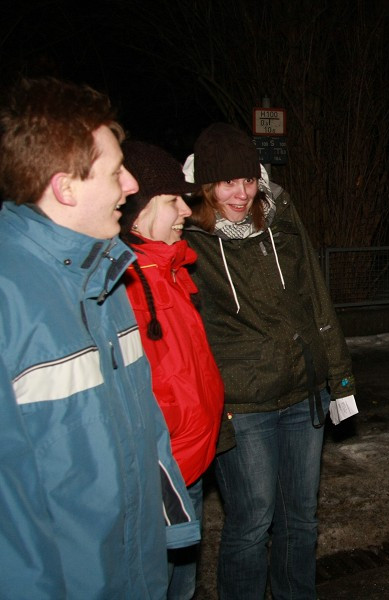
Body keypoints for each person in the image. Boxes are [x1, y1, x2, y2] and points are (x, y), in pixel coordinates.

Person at [0, 77, 199, 598]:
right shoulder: (9, 302)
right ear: (66, 187)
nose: (131, 185)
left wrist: (172, 527)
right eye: (116, 171)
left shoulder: (106, 277)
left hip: (137, 572)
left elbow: (145, 426)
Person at [181, 122, 357, 599]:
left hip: (304, 391)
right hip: (243, 402)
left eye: (248, 179)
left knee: (301, 517)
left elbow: (316, 297)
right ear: (205, 185)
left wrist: (338, 377)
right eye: (226, 182)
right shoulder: (190, 238)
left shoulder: (280, 216)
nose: (240, 192)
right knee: (252, 523)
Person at [118, 140, 225, 600]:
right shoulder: (124, 285)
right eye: (171, 200)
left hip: (191, 463)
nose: (185, 208)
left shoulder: (171, 269)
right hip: (161, 476)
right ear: (138, 214)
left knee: (181, 587)